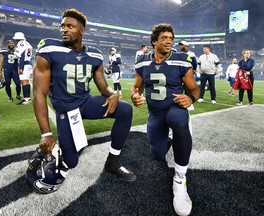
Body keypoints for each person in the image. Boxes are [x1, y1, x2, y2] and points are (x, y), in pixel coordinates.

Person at [32, 8, 136, 190]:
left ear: (82, 30)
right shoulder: (49, 48)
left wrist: (111, 94)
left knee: (125, 110)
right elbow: (39, 93)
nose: (64, 29)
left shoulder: (94, 54)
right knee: (71, 161)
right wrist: (46, 134)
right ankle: (42, 152)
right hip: (66, 108)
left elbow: (103, 86)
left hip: (86, 102)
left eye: (70, 26)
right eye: (62, 26)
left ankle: (113, 161)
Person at [131, 23, 200, 216]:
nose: (169, 41)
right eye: (164, 38)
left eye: (171, 38)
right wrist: (135, 95)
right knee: (157, 154)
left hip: (174, 107)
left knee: (179, 122)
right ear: (154, 42)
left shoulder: (181, 60)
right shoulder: (143, 62)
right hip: (155, 113)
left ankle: (180, 179)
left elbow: (194, 89)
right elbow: (136, 87)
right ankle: (170, 139)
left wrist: (191, 98)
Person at [12, 32, 33, 105]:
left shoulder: (21, 44)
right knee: (26, 81)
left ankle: (26, 99)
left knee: (24, 82)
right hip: (28, 63)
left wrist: (20, 67)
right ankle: (27, 98)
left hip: (24, 64)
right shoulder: (28, 43)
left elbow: (21, 56)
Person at [178, 40, 197, 111]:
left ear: (186, 46)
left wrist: (193, 71)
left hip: (187, 73)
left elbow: (194, 63)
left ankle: (190, 104)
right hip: (181, 73)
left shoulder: (191, 54)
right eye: (180, 45)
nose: (180, 46)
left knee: (188, 88)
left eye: (182, 45)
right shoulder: (180, 54)